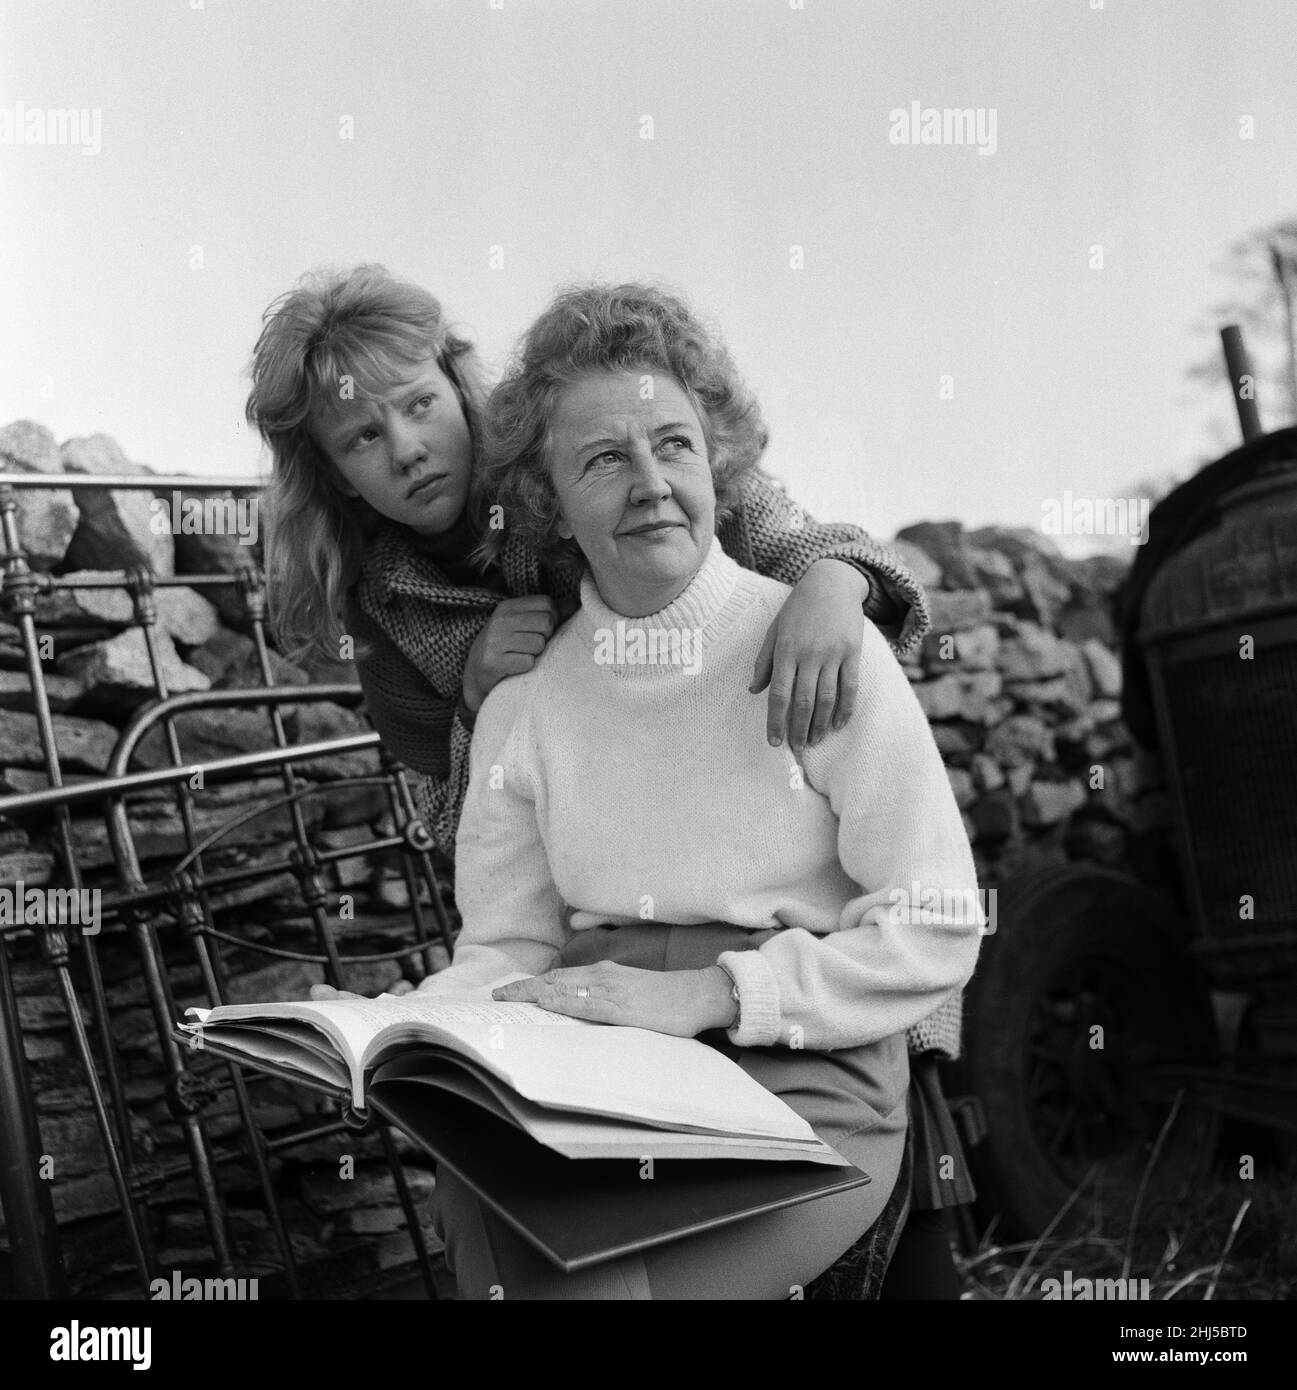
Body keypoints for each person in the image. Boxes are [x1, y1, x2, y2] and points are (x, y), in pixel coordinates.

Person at [413, 283, 983, 1299]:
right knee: (496, 1217)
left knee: (602, 1281)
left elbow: (937, 923)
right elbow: (508, 948)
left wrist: (710, 994)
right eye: (602, 459)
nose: (650, 483)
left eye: (672, 444)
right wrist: (395, 1029)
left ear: (713, 455)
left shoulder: (817, 647)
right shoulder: (526, 708)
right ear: (546, 499)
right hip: (594, 1076)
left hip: (800, 1069)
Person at [246, 266, 931, 864]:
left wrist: (835, 581)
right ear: (334, 474)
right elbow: (460, 832)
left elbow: (793, 531)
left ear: (458, 388)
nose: (406, 450)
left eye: (418, 405)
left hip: (771, 820)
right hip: (603, 890)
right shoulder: (380, 611)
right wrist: (475, 701)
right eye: (363, 436)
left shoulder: (589, 456)